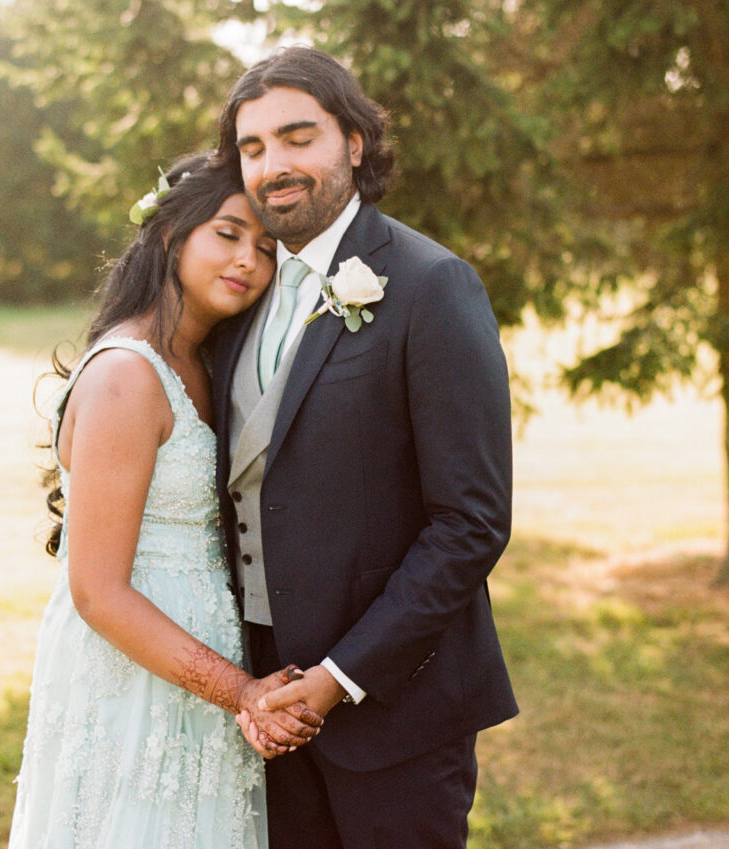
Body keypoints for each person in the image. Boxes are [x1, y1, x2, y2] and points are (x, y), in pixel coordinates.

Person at [211, 47, 519, 848]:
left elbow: (472, 522)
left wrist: (338, 679)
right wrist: (256, 686)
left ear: (353, 141)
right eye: (252, 148)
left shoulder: (430, 284)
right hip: (264, 706)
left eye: (296, 137)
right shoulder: (237, 296)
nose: (273, 165)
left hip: (396, 712)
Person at [8, 152, 322, 849]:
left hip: (200, 663)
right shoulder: (127, 375)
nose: (248, 259)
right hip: (134, 676)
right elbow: (96, 589)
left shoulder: (207, 363)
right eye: (229, 233)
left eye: (267, 248)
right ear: (169, 235)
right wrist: (240, 691)